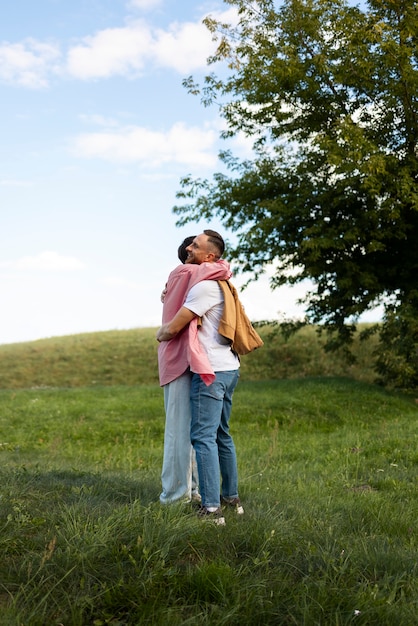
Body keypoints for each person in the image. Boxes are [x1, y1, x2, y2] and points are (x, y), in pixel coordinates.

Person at [157, 230, 244, 525]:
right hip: (230, 367)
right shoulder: (223, 279)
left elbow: (174, 326)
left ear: (209, 257)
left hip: (207, 368)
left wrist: (161, 333)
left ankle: (206, 507)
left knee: (200, 437)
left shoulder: (198, 282)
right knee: (220, 434)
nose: (189, 249)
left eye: (195, 245)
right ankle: (230, 497)